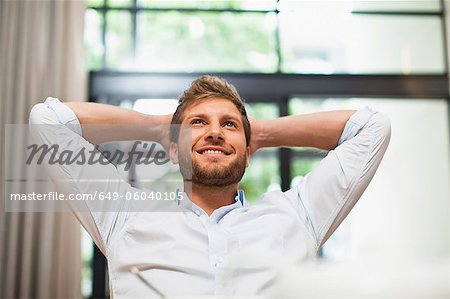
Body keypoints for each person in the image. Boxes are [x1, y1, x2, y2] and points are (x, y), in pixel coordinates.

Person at [29, 75, 391, 298]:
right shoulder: (124, 216)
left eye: (229, 125)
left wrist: (259, 132)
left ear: (249, 153)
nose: (215, 131)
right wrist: (161, 128)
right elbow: (49, 120)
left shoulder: (297, 214)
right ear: (173, 149)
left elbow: (371, 126)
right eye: (198, 123)